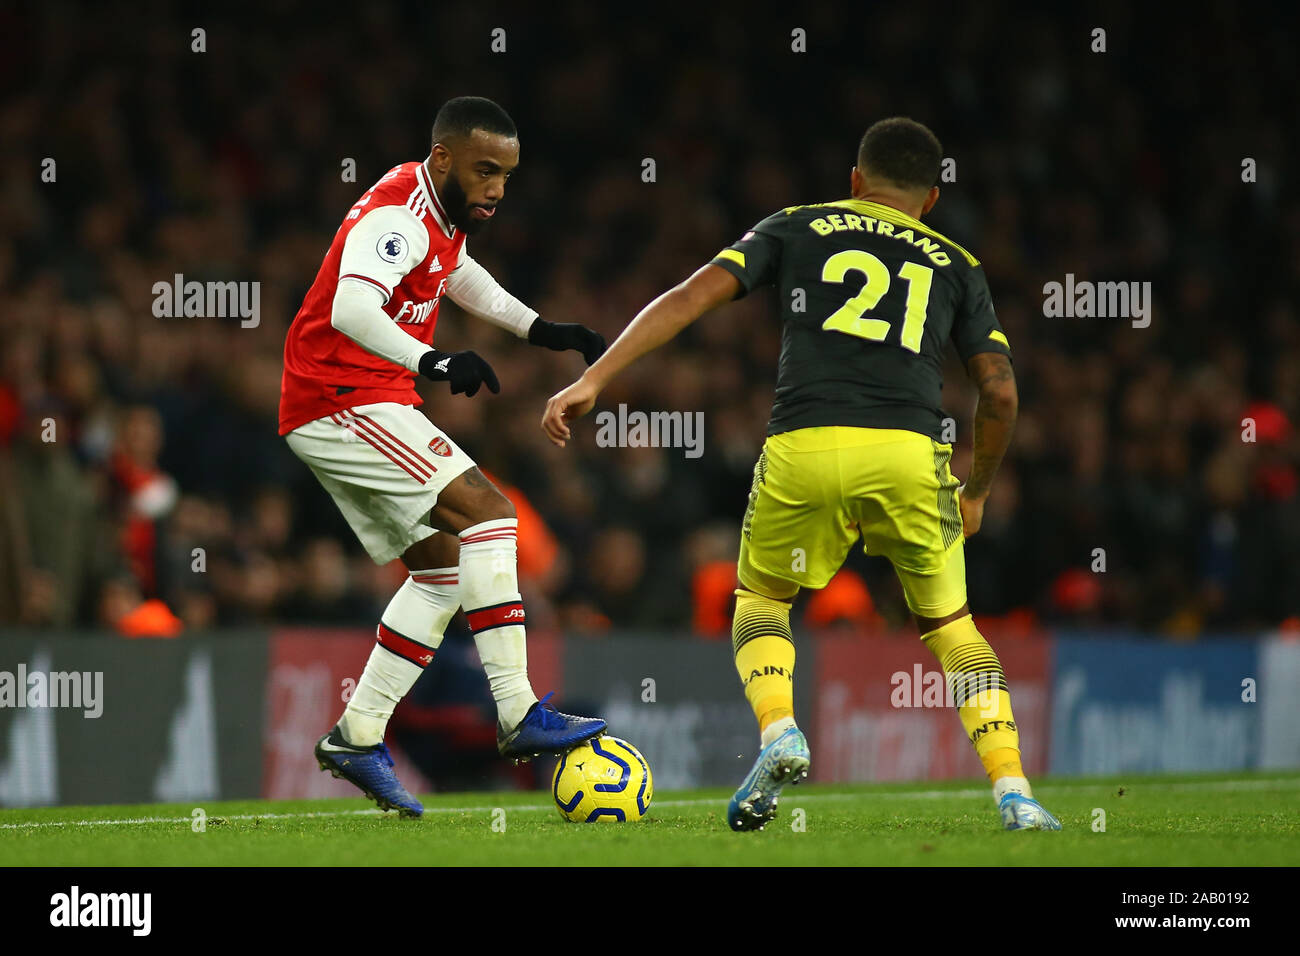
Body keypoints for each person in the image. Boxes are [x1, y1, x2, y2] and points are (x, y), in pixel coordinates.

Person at [542, 117, 1061, 833]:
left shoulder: (797, 226)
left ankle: (780, 729)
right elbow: (1000, 391)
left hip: (805, 445)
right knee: (951, 628)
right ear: (932, 199)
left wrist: (594, 379)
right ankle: (1014, 791)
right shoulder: (957, 263)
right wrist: (977, 493)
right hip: (908, 456)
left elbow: (691, 297)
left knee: (761, 599)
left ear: (854, 182)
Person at [280, 96, 607, 817]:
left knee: (442, 570)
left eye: (507, 175)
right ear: (443, 158)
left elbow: (458, 275)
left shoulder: (438, 215)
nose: (496, 188)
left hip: (358, 399)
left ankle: (358, 734)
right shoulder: (397, 214)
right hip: (342, 396)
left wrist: (539, 329)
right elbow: (351, 310)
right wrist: (433, 360)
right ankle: (519, 712)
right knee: (492, 515)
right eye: (485, 170)